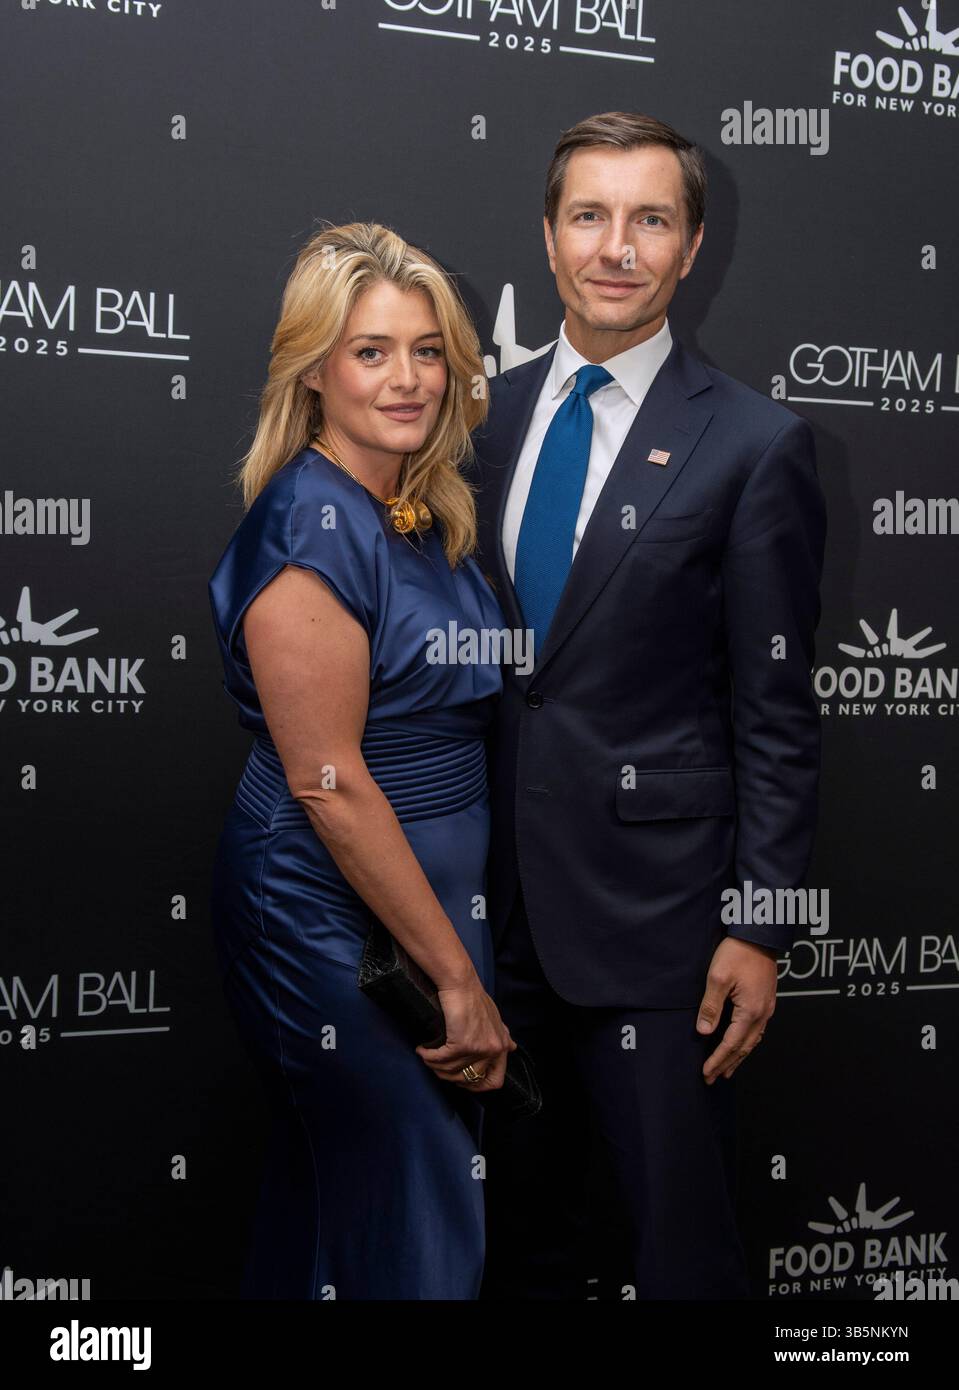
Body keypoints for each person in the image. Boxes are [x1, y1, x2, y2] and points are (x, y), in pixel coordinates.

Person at [471, 111, 827, 1299]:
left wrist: (759, 923)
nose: (614, 246)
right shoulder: (480, 421)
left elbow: (775, 709)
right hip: (486, 920)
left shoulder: (754, 443)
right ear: (546, 234)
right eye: (589, 215)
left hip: (662, 933)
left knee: (674, 1257)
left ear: (689, 246)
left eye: (649, 219)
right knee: (521, 1249)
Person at [208, 221, 514, 1301]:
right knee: (415, 1208)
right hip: (324, 909)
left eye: (427, 350)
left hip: (426, 900)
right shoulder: (308, 524)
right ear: (315, 371)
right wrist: (455, 979)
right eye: (371, 350)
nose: (409, 377)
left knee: (341, 1209)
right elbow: (327, 787)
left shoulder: (422, 510)